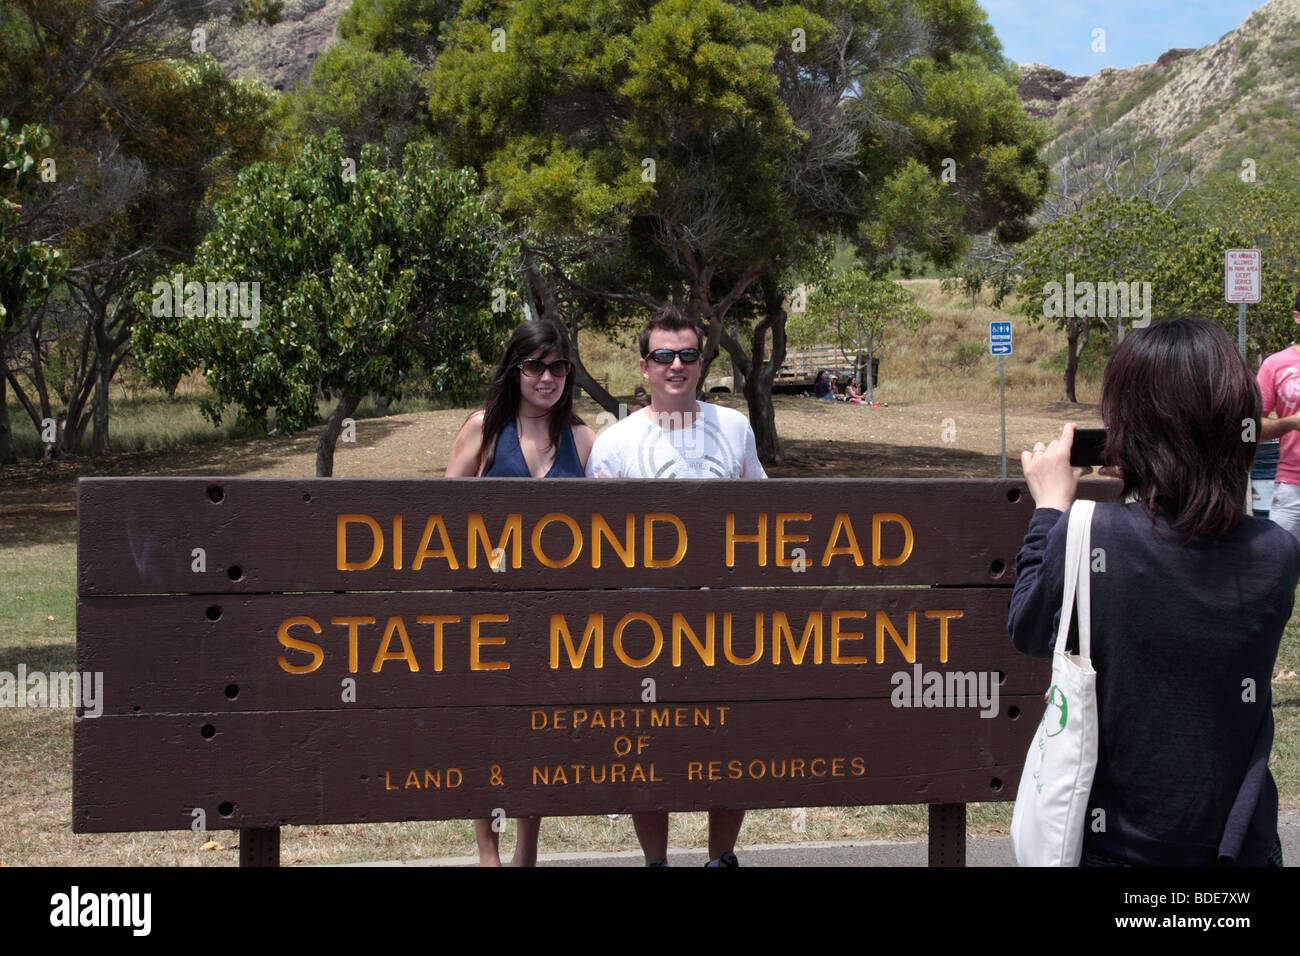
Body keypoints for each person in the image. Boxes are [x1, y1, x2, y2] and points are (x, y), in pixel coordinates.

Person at [1009, 317, 1298, 866]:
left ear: (1129, 431)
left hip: (1113, 851)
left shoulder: (1092, 532)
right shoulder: (1278, 554)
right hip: (1241, 848)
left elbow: (1027, 628)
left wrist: (1050, 510)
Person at [585, 304, 766, 866]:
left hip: (725, 624)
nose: (677, 365)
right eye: (664, 355)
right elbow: (600, 547)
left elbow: (763, 514)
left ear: (702, 360)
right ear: (644, 367)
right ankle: (656, 862)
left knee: (729, 748)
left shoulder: (735, 427)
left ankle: (721, 858)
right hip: (647, 627)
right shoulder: (615, 443)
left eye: (688, 354)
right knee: (650, 750)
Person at [445, 319, 597, 865]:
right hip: (487, 618)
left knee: (540, 739)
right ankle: (488, 853)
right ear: (516, 369)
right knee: (484, 738)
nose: (547, 377)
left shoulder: (583, 440)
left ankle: (527, 852)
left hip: (557, 623)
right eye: (536, 365)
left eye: (558, 366)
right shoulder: (483, 430)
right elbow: (440, 523)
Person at [1256, 291, 1300, 541]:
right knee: (1282, 563)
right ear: (1297, 317)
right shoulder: (1275, 364)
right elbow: (1249, 429)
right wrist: (1290, 423)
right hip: (1293, 483)